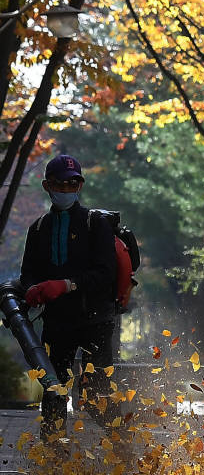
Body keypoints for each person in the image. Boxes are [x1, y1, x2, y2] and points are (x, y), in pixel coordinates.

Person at [20, 154, 120, 443]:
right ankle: (53, 459)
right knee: (54, 390)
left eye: (71, 184)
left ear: (80, 186)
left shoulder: (95, 223)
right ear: (46, 186)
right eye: (58, 184)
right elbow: (28, 273)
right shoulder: (38, 229)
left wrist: (66, 285)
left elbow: (105, 273)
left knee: (96, 394)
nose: (64, 190)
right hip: (57, 322)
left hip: (95, 321)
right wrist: (32, 290)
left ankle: (123, 450)